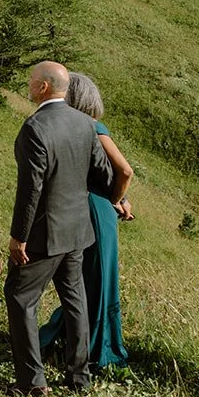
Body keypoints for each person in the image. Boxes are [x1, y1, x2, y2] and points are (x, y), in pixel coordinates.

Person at [4, 60, 124, 396]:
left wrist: (19, 236)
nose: (28, 84)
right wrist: (118, 201)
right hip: (78, 230)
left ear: (43, 86)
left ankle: (32, 382)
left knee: (21, 298)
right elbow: (103, 175)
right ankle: (78, 377)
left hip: (44, 234)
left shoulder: (35, 128)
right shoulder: (86, 124)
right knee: (75, 299)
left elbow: (31, 191)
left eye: (31, 80)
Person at [40, 72, 133, 370]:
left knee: (87, 281)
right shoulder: (85, 127)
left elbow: (124, 171)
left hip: (87, 208)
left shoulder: (89, 128)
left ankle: (73, 342)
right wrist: (115, 198)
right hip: (95, 208)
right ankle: (92, 348)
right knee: (93, 281)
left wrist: (116, 197)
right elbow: (120, 173)